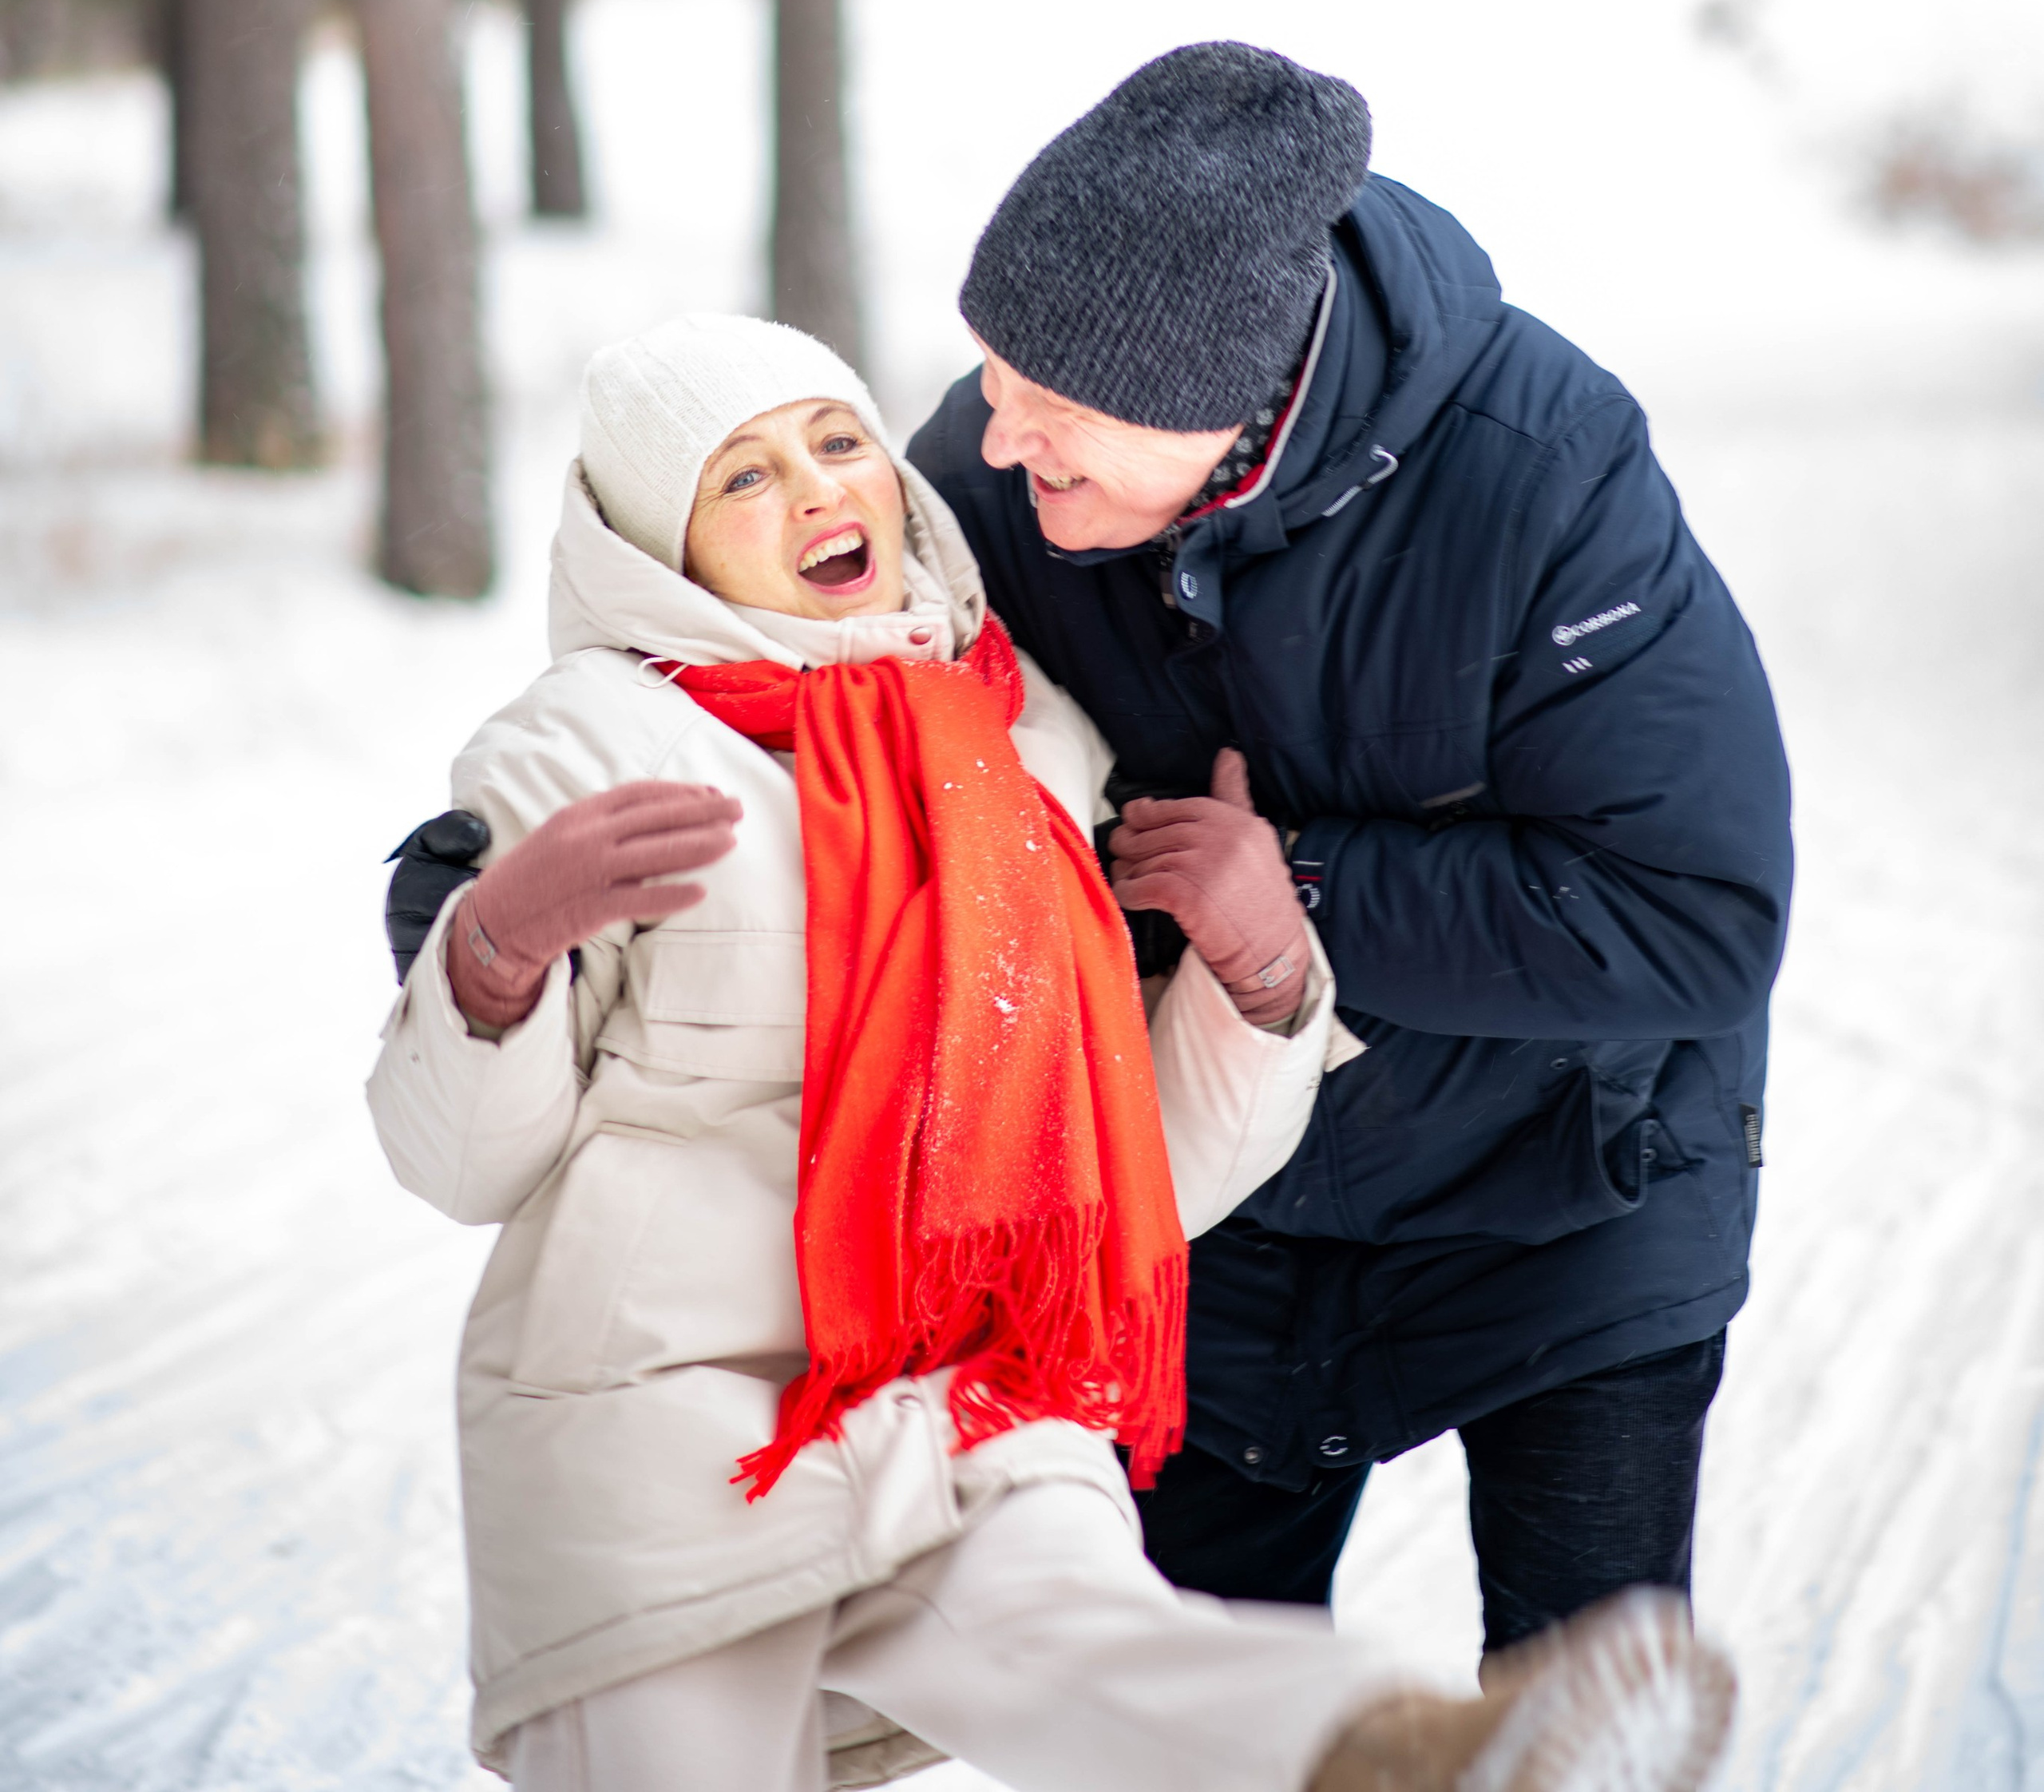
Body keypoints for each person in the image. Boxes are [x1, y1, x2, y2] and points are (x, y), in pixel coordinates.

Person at [369, 311, 1737, 1792]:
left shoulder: (1032, 744)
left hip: (963, 1381)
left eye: (838, 443)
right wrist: (490, 954)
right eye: (743, 480)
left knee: (1108, 1646)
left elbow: (1137, 1167)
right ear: (658, 546)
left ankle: (1399, 1756)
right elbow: (465, 1164)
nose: (821, 492)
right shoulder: (586, 749)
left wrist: (1263, 973)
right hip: (663, 1402)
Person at [908, 42, 1794, 1655]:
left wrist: (1293, 891)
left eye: (1056, 414)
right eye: (987, 379)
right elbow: (778, 699)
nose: (991, 440)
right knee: (1174, 1722)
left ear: (1222, 405)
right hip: (1217, 1197)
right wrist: (510, 879)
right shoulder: (1001, 482)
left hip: (1558, 1196)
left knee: (1578, 1724)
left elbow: (1692, 915)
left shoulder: (1541, 473)